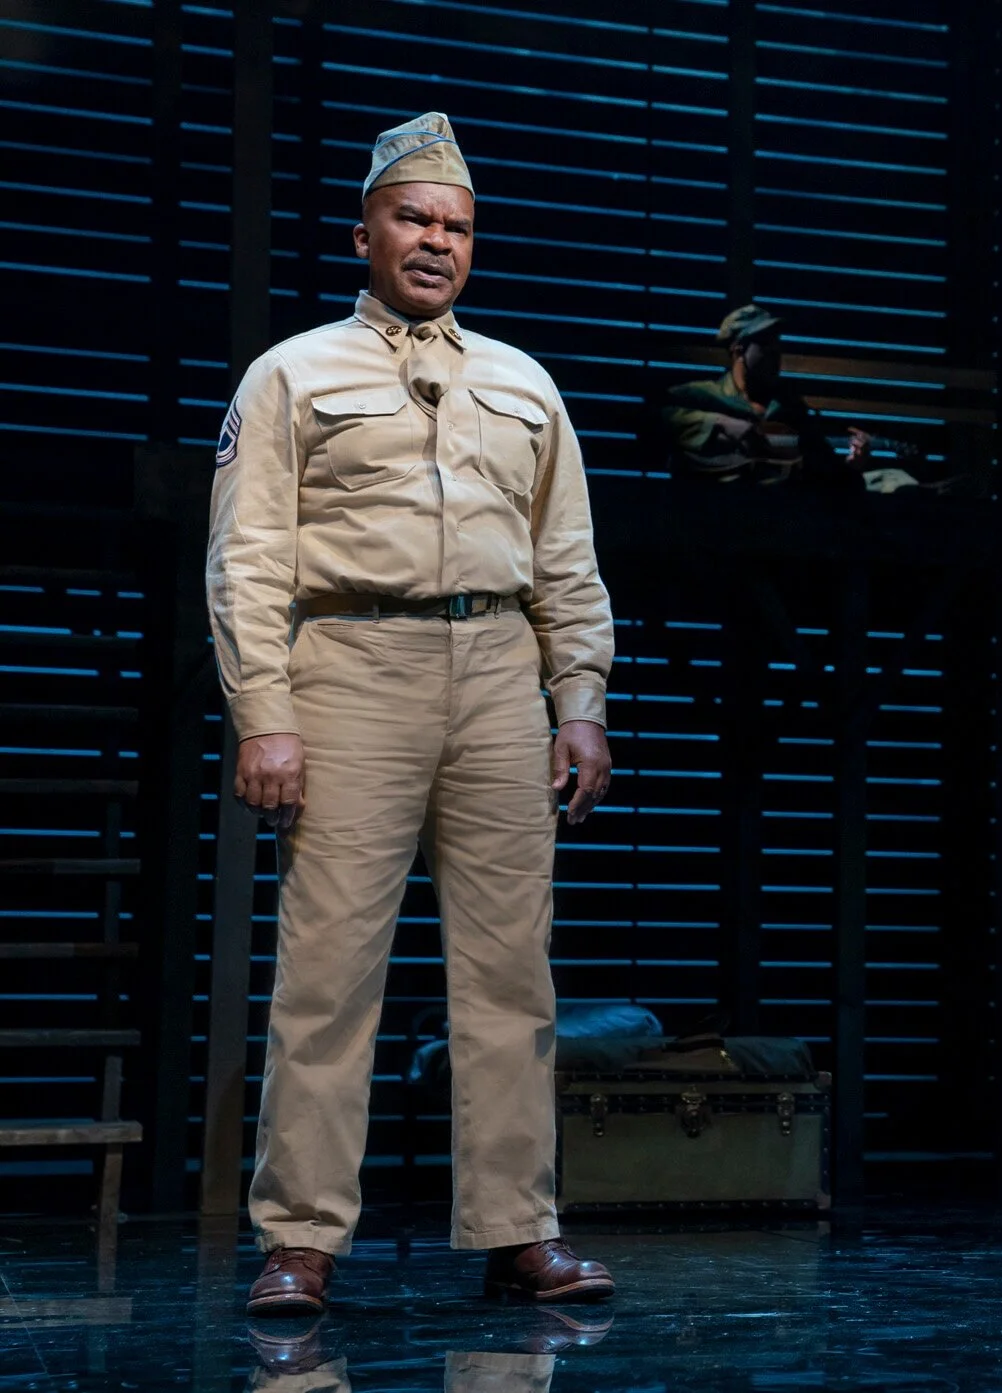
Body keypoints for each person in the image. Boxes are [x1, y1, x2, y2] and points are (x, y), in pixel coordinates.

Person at [208, 113, 618, 1315]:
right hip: (351, 664)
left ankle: (520, 1230)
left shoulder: (524, 382)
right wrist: (264, 713)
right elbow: (247, 559)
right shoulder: (292, 373)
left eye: (457, 226)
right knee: (329, 971)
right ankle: (300, 1238)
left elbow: (568, 562)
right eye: (414, 219)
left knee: (512, 973)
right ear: (365, 234)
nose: (437, 241)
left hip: (495, 670)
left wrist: (579, 702)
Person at [661, 304, 878, 488]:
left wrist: (852, 466)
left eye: (777, 345)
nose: (775, 354)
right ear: (739, 349)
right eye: (765, 344)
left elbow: (822, 467)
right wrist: (722, 424)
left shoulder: (789, 407)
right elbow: (657, 418)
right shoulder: (704, 396)